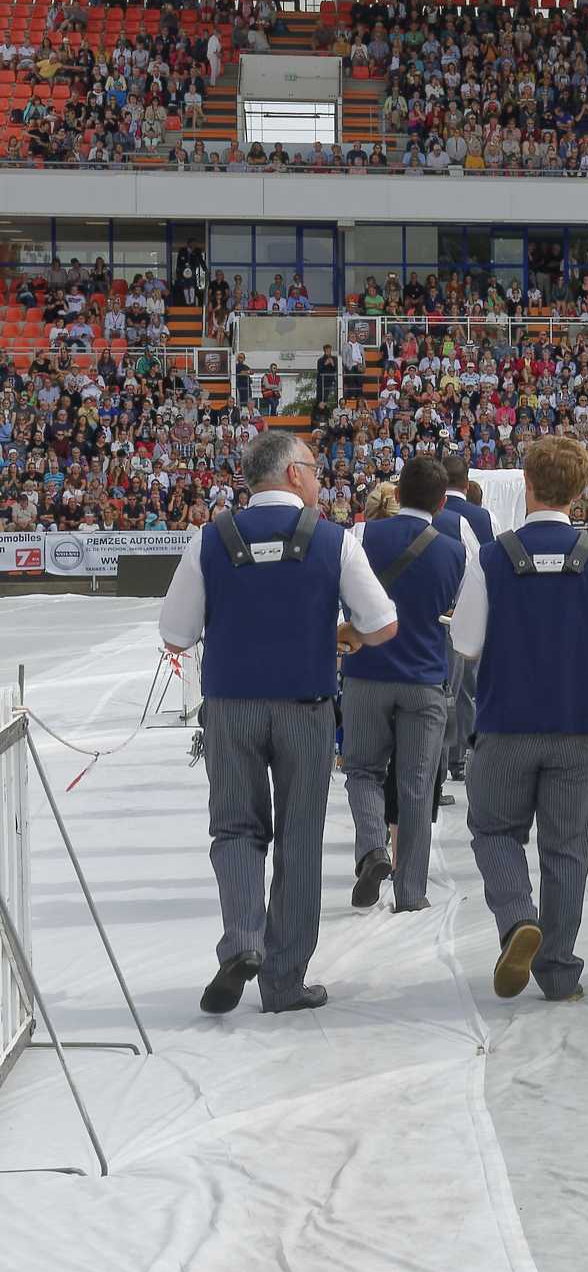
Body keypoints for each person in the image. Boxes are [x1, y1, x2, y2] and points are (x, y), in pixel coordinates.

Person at [160, 432, 397, 1014]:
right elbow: (384, 623)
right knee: (300, 838)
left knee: (236, 829)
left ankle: (242, 940)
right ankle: (285, 978)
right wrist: (344, 635)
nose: (320, 482)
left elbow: (175, 633)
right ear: (293, 475)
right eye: (314, 471)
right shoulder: (333, 541)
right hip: (305, 705)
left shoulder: (210, 540)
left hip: (232, 706)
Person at [451, 436, 588, 1001]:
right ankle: (560, 970)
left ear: (528, 486)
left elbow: (466, 644)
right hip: (577, 723)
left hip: (506, 722)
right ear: (580, 490)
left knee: (494, 831)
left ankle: (518, 918)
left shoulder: (491, 556)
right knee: (566, 849)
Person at [337, 455, 469, 915]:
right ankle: (411, 890)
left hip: (367, 673)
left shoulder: (361, 536)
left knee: (362, 771)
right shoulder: (455, 550)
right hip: (424, 676)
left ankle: (373, 847)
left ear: (398, 492)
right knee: (415, 785)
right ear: (439, 504)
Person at [440, 455, 496, 786]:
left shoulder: (433, 512)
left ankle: (444, 754)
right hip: (467, 608)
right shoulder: (480, 516)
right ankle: (461, 754)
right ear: (466, 482)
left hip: (433, 608)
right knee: (467, 688)